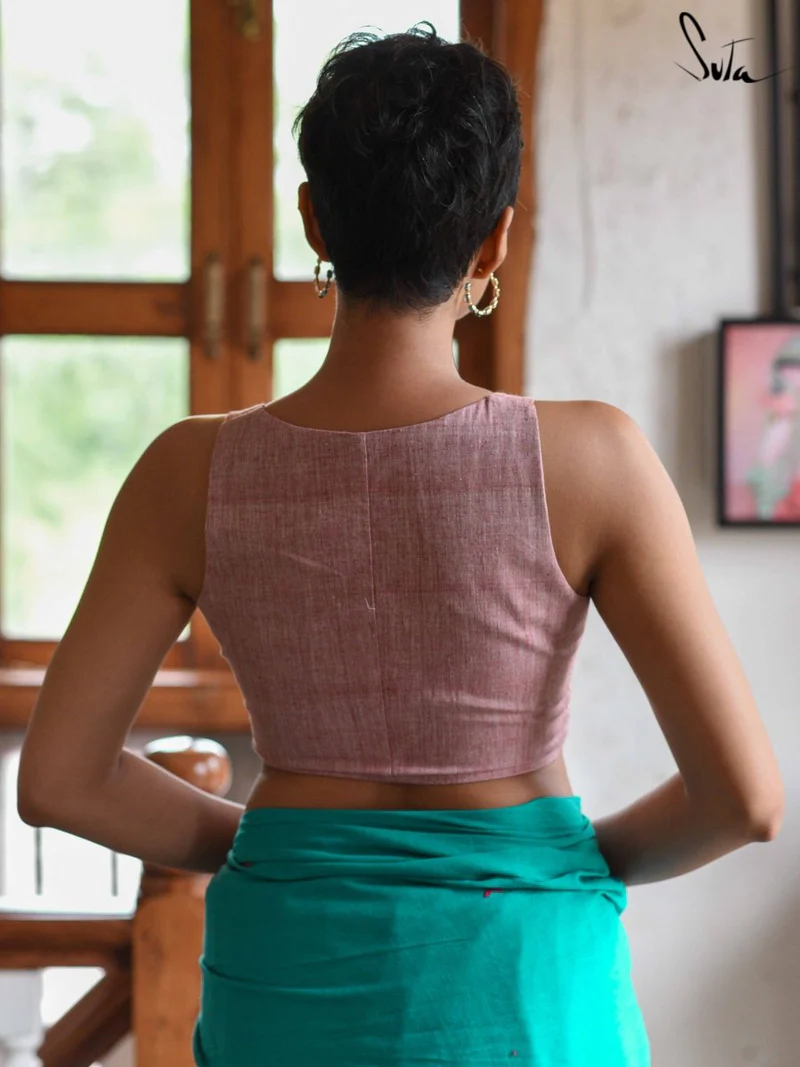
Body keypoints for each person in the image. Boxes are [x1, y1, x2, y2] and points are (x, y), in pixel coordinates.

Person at [17, 22, 783, 1067]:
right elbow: (742, 799)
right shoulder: (593, 457)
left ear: (311, 218)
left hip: (286, 976)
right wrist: (559, 857)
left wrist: (278, 842)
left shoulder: (186, 471)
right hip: (525, 978)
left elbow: (60, 778)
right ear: (494, 241)